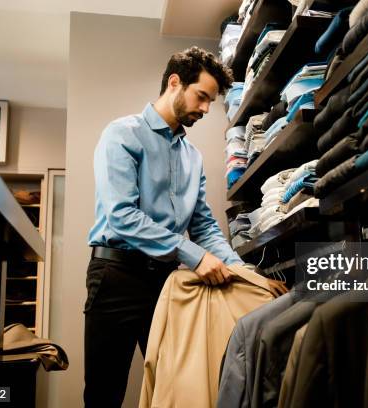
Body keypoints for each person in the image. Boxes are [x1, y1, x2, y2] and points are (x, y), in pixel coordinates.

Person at [83, 46, 288, 407]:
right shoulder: (122, 135)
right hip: (116, 275)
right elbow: (122, 215)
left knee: (170, 385)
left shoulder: (191, 157)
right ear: (175, 82)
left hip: (167, 282)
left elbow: (204, 226)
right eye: (202, 97)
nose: (206, 109)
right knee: (104, 392)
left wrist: (242, 272)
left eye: (211, 101)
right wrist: (193, 256)